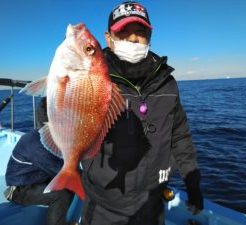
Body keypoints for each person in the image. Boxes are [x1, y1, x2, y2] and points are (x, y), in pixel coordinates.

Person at [80, 1, 203, 225]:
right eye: (123, 32)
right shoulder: (93, 80)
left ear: (149, 36)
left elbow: (180, 135)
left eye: (140, 32)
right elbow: (58, 120)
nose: (133, 39)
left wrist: (192, 182)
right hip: (104, 205)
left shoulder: (167, 83)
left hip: (152, 202)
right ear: (108, 38)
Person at [4, 127, 75, 225]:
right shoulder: (37, 146)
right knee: (61, 195)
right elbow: (63, 172)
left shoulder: (43, 137)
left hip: (37, 179)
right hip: (21, 189)